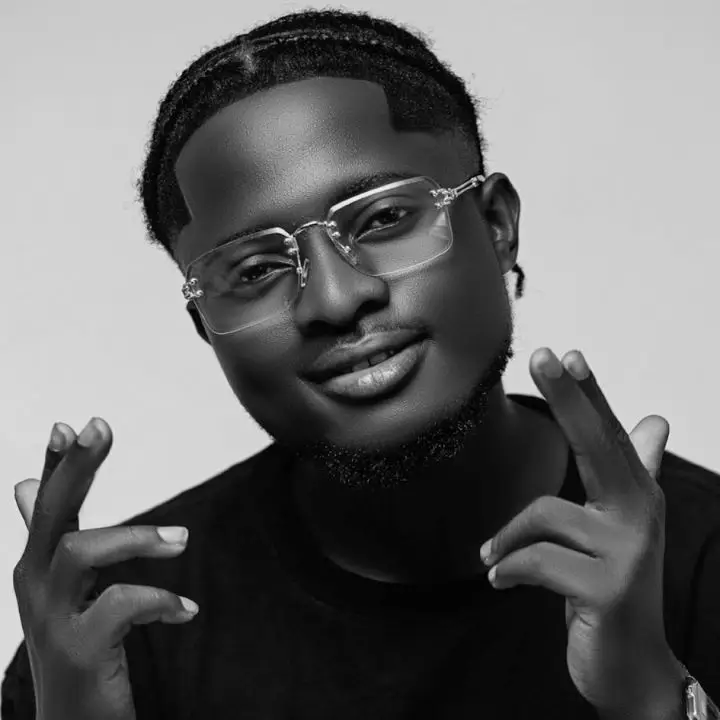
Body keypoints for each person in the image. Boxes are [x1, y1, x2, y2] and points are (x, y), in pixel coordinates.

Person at [3, 8, 720, 720]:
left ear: (497, 225)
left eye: (382, 219)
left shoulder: (702, 559)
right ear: (204, 326)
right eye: (255, 270)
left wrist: (653, 696)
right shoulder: (119, 633)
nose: (336, 299)